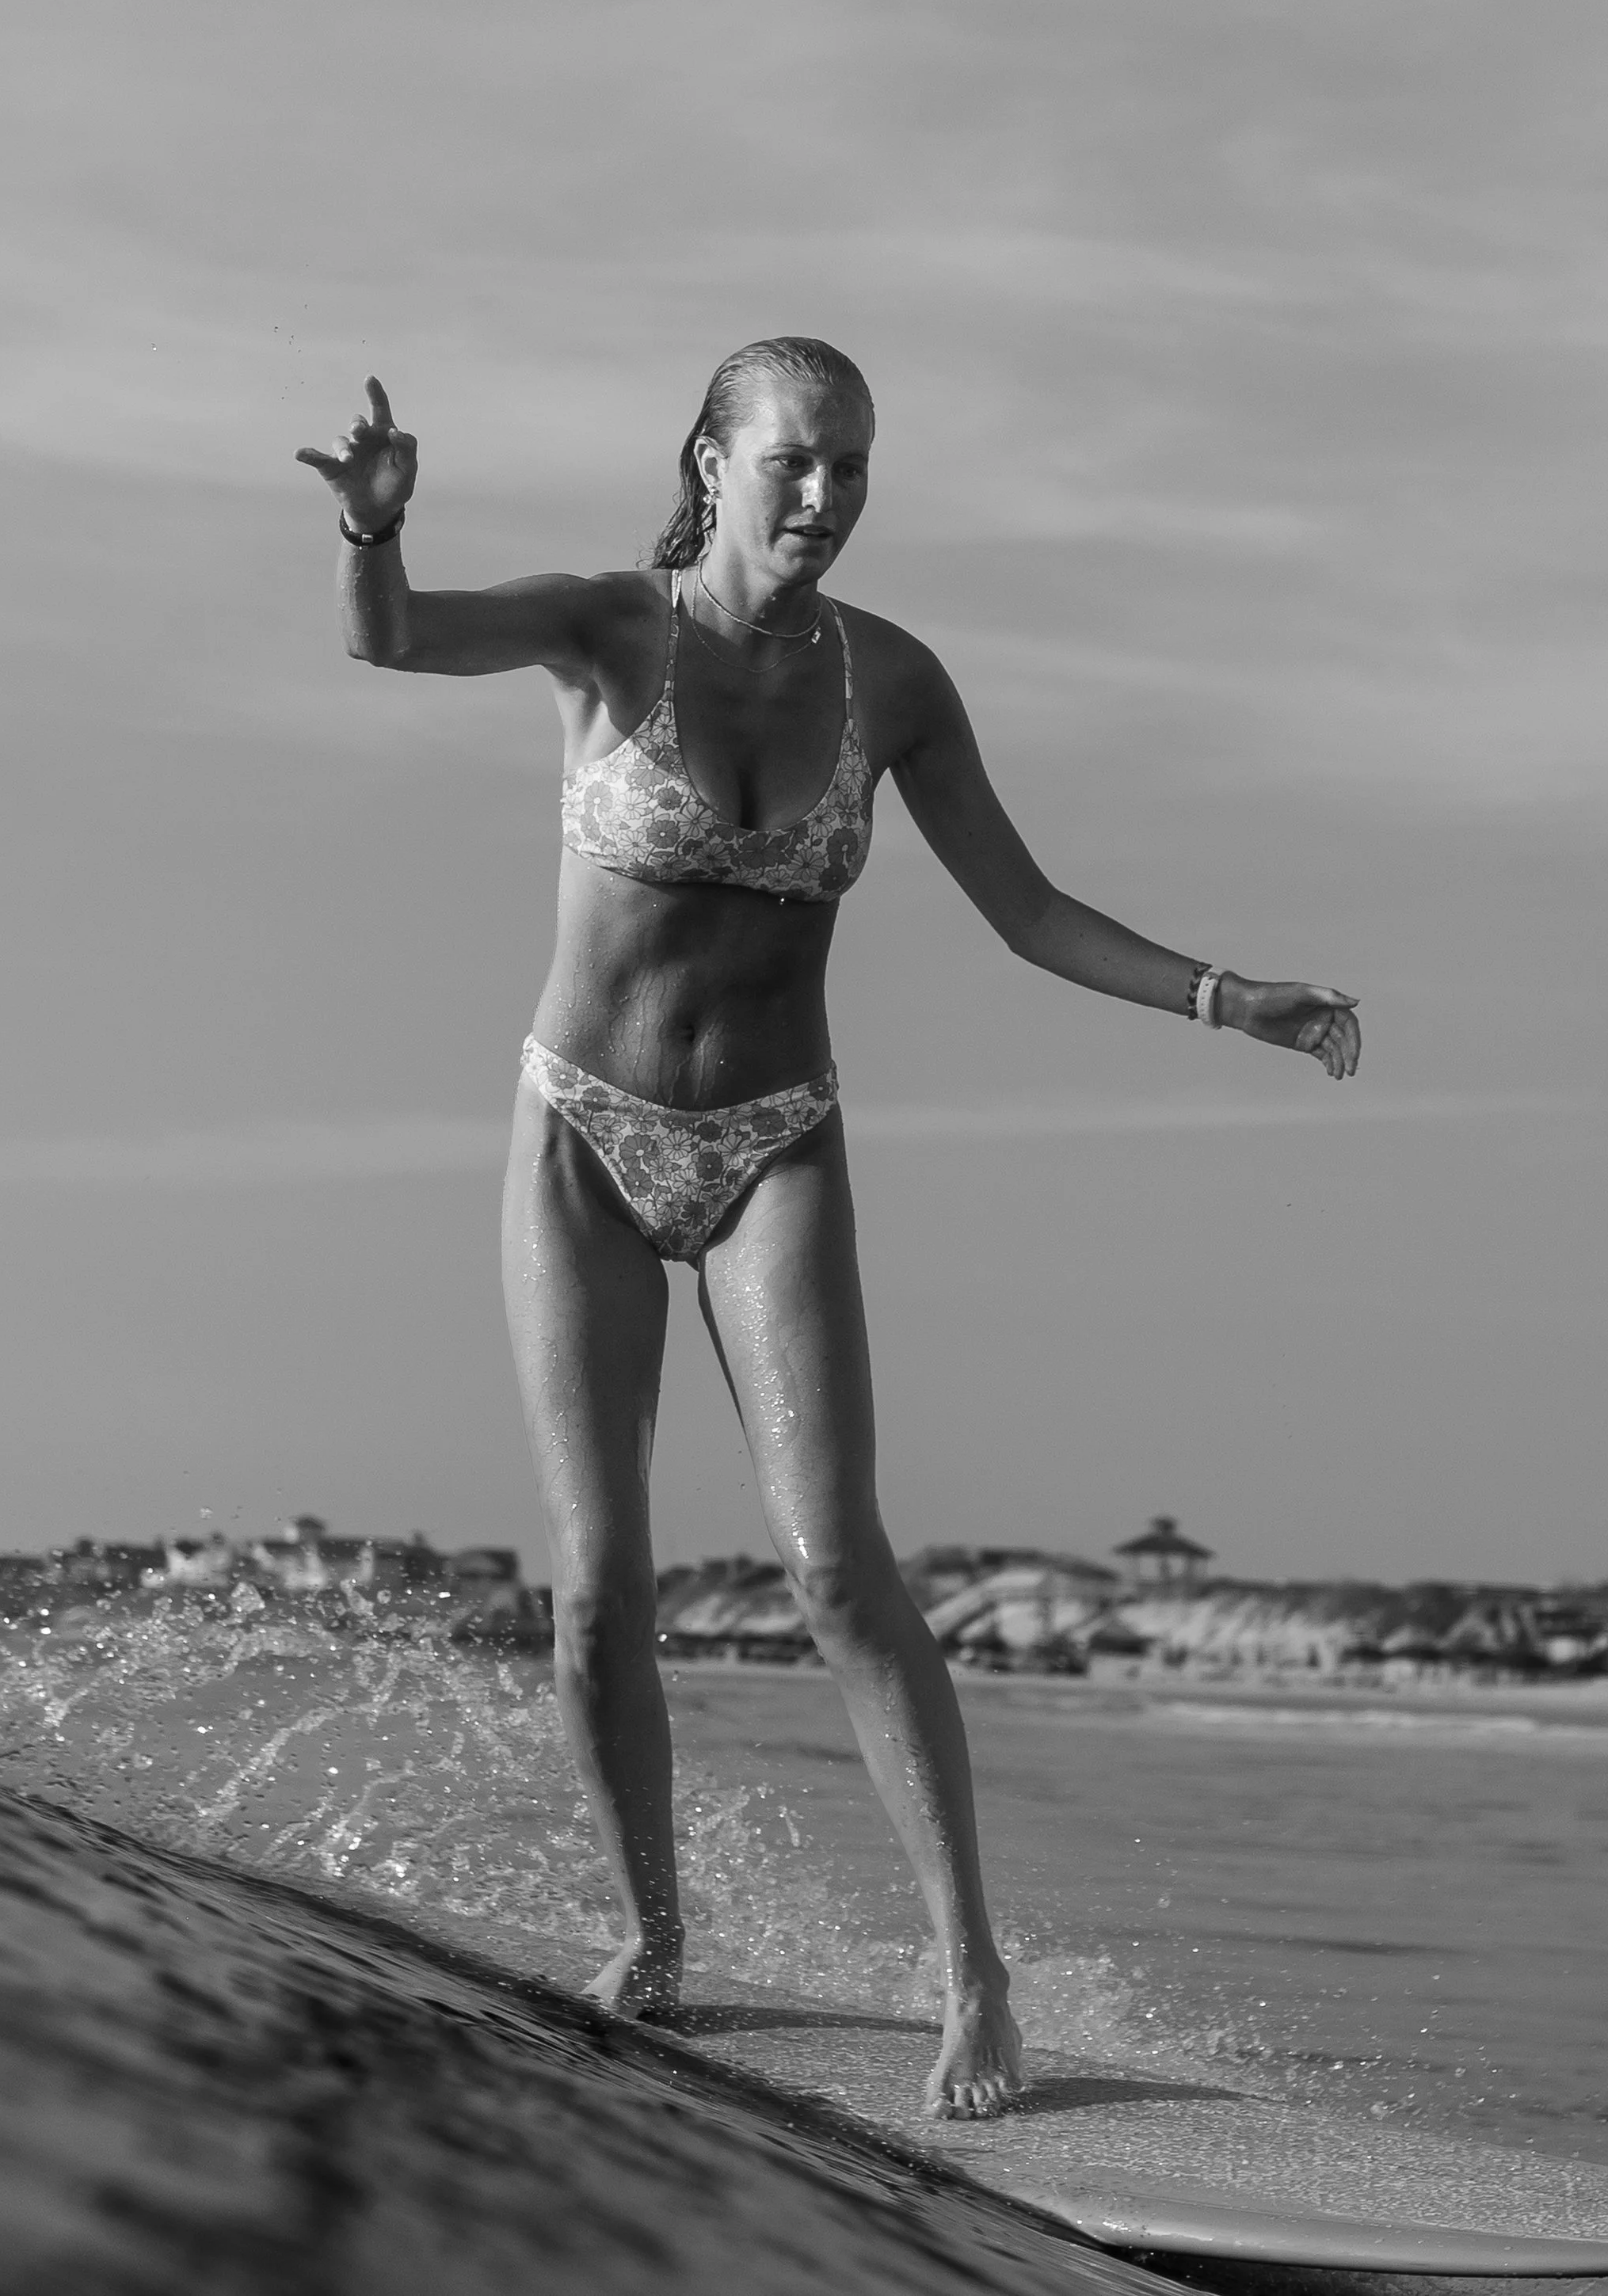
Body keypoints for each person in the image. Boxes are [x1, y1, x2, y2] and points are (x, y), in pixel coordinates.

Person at [298, 338, 1358, 2118]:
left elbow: (1021, 911)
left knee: (836, 1570)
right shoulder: (603, 629)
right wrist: (373, 536)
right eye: (794, 461)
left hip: (774, 1144)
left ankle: (971, 1978)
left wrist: (1219, 997)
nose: (824, 496)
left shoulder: (897, 682)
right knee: (597, 1588)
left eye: (852, 468)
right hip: (581, 1131)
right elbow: (387, 641)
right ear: (710, 463)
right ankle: (651, 1934)